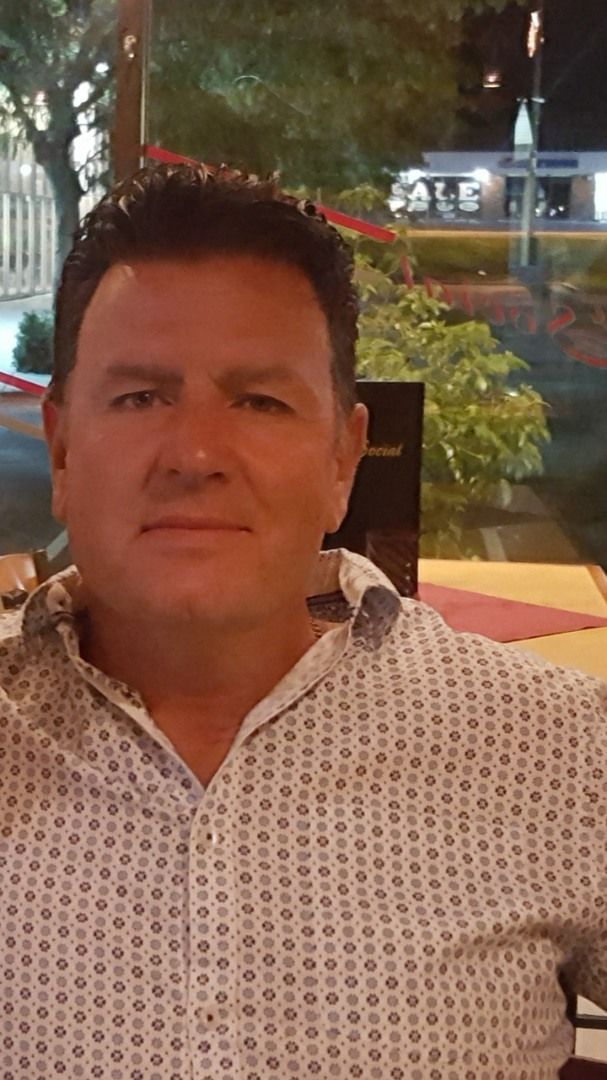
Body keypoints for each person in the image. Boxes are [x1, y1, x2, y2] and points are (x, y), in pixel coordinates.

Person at [0, 163, 605, 1080]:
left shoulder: (553, 748)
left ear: (342, 459)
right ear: (61, 449)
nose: (194, 454)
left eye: (260, 401)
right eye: (139, 397)